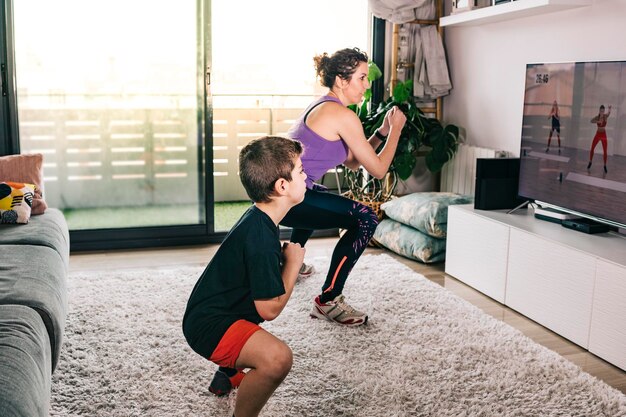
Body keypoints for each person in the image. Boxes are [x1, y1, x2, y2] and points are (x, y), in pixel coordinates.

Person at [280, 47, 407, 326]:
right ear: (341, 80)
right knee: (366, 218)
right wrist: (397, 130)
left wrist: (381, 133)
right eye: (361, 78)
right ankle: (328, 299)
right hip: (286, 199)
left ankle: (291, 259)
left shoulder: (327, 106)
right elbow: (378, 169)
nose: (367, 85)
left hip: (286, 193)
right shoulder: (340, 115)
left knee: (319, 194)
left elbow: (351, 162)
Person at [182, 136, 307, 417]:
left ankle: (228, 374)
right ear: (282, 186)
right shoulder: (261, 237)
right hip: (211, 326)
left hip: (213, 313)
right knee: (277, 359)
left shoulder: (259, 218)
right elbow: (269, 308)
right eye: (300, 171)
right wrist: (293, 265)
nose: (306, 175)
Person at [587, 104, 611, 173]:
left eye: (603, 111)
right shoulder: (597, 117)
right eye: (601, 111)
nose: (602, 112)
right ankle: (590, 161)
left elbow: (609, 113)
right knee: (592, 148)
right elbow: (591, 121)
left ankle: (605, 165)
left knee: (605, 151)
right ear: (599, 111)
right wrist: (597, 121)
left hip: (603, 135)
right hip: (598, 134)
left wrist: (609, 109)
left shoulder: (605, 116)